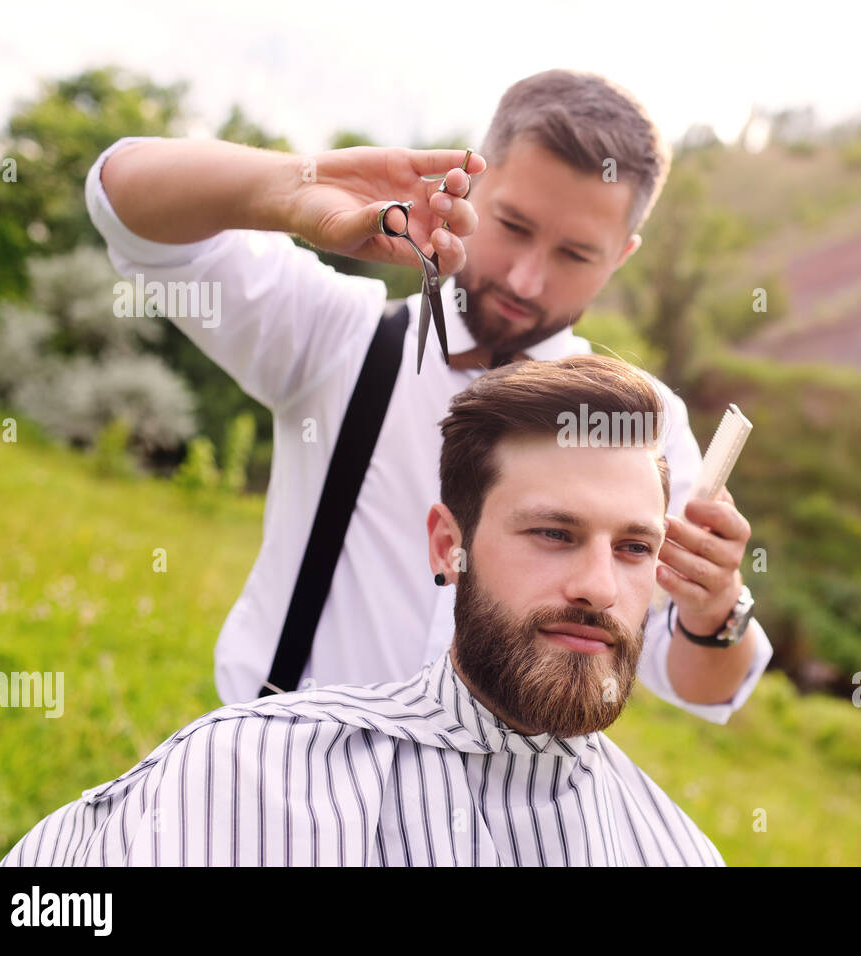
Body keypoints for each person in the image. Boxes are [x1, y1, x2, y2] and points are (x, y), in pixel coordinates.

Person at [86, 68, 771, 721]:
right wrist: (301, 183)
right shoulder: (339, 336)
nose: (527, 281)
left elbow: (700, 688)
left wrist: (714, 612)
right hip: (280, 784)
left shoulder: (639, 426)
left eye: (575, 254)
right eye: (515, 227)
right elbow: (123, 203)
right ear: (471, 185)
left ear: (621, 256)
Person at [0, 356, 723, 866]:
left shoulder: (681, 852)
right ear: (448, 545)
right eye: (554, 534)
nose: (599, 586)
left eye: (633, 548)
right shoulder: (242, 778)